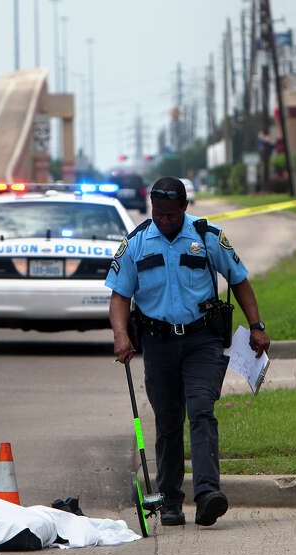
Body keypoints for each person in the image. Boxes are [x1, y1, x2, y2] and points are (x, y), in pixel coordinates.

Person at [105, 176, 269, 527]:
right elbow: (119, 295)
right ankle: (170, 501)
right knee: (167, 421)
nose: (164, 221)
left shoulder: (208, 236)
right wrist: (121, 336)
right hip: (158, 342)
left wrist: (257, 326)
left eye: (170, 215)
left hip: (202, 340)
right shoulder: (135, 243)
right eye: (158, 214)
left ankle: (208, 493)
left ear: (184, 207)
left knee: (200, 410)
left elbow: (238, 279)